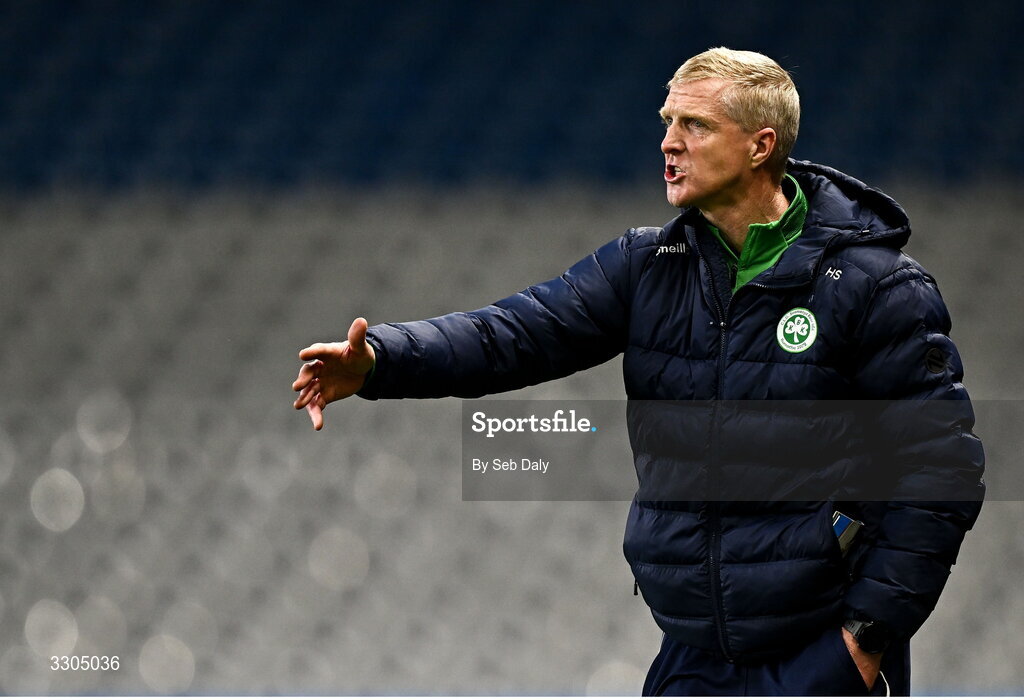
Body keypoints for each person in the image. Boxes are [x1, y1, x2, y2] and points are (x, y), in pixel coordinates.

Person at [292, 48, 984, 696]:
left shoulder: (877, 287)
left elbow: (941, 474)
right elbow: (513, 334)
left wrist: (863, 641)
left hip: (817, 652)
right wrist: (381, 360)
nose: (668, 143)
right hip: (690, 651)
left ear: (761, 145)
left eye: (695, 124)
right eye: (667, 123)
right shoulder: (648, 265)